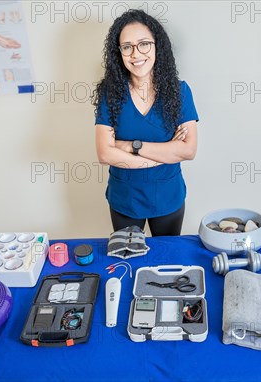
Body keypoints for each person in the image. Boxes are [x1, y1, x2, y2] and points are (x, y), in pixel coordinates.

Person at [92, 9, 199, 236]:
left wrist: (132, 146)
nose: (136, 53)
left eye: (144, 44)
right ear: (118, 52)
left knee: (166, 261)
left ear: (157, 46)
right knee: (129, 260)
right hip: (125, 199)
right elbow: (104, 154)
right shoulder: (109, 93)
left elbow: (188, 150)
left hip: (168, 196)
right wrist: (161, 156)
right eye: (127, 46)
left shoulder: (180, 91)